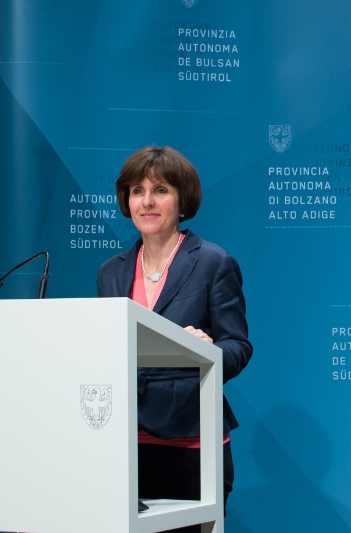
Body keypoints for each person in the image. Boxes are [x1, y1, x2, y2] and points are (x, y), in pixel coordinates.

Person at [97, 146, 252, 530]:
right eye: (137, 191)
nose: (147, 201)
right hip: (123, 447)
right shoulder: (110, 272)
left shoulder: (213, 262)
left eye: (160, 190)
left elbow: (238, 345)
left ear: (183, 200)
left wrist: (205, 351)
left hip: (191, 444)